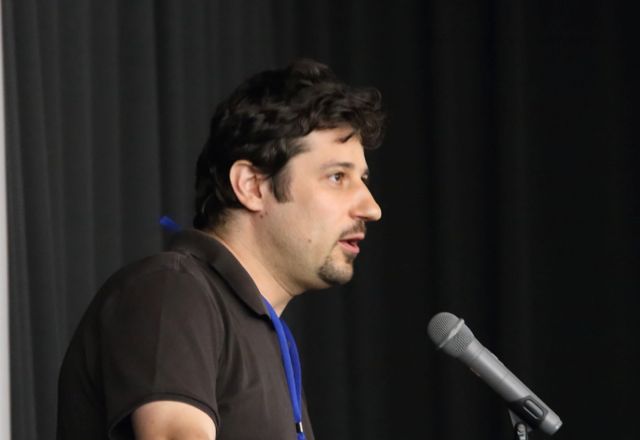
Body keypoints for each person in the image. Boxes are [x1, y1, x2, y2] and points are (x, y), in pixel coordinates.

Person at [57, 58, 385, 440]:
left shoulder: (268, 335)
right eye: (337, 177)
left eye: (362, 179)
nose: (371, 208)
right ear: (251, 186)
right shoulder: (173, 289)